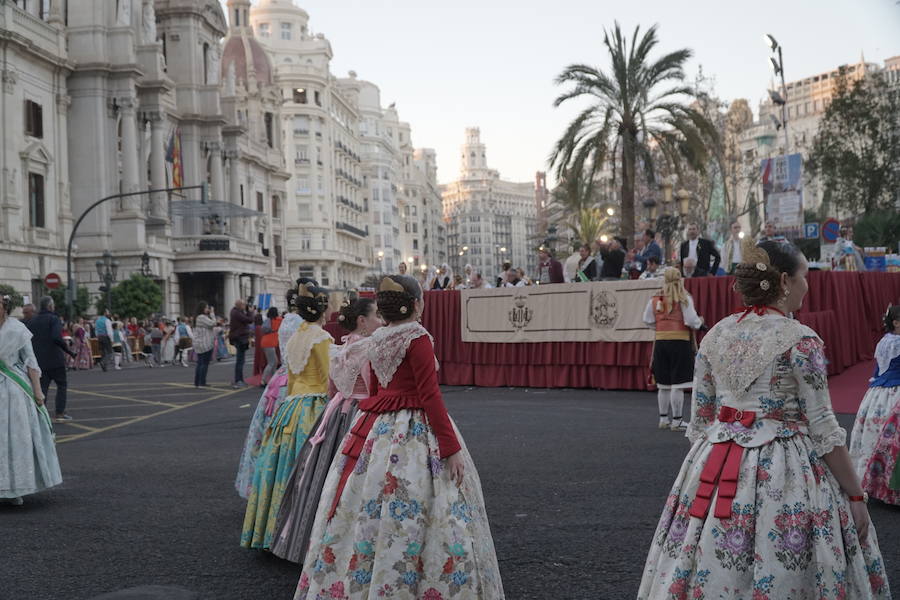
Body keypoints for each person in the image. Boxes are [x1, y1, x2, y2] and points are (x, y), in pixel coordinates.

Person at [638, 239, 890, 598]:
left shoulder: (716, 335)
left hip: (715, 463)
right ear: (785, 281)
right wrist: (855, 496)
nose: (808, 284)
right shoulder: (801, 340)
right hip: (787, 469)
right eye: (805, 275)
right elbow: (823, 430)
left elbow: (703, 419)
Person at [293, 275, 504, 599]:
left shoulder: (376, 339)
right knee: (431, 505)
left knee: (363, 501)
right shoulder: (417, 338)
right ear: (416, 304)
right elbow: (430, 396)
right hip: (415, 428)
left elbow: (375, 391)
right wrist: (449, 447)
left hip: (377, 427)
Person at [270, 295, 382, 563]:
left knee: (321, 478)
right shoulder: (367, 349)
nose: (381, 320)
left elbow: (332, 388)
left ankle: (308, 540)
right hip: (360, 416)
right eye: (376, 315)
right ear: (362, 321)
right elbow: (375, 391)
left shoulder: (339, 349)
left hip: (332, 416)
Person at [241, 282, 332, 550]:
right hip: (313, 408)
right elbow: (329, 381)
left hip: (290, 408)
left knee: (281, 471)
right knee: (309, 473)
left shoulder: (294, 338)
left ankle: (271, 530)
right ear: (322, 311)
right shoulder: (322, 338)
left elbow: (292, 381)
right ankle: (301, 537)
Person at [235, 288, 306, 499]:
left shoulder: (287, 319)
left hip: (281, 378)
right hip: (295, 381)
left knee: (268, 434)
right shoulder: (300, 323)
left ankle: (266, 485)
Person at [0, 294, 63, 506]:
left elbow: (30, 361)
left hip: (13, 389)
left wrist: (38, 392)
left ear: (5, 307)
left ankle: (13, 487)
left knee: (14, 440)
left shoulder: (17, 329)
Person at [849, 305, 900, 505]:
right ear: (896, 322)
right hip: (895, 392)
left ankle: (870, 480)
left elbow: (878, 370)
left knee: (872, 438)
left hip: (877, 394)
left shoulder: (883, 341)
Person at [642, 269, 704, 431]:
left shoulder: (655, 299)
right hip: (680, 343)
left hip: (661, 342)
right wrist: (699, 323)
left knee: (663, 384)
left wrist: (661, 327)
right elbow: (692, 321)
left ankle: (663, 418)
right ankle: (677, 420)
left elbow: (647, 320)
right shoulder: (684, 298)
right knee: (678, 383)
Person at [26, 296, 77, 422]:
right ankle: (60, 413)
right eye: (53, 305)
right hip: (55, 359)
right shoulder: (53, 319)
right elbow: (56, 337)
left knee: (43, 388)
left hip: (39, 361)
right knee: (61, 385)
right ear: (50, 306)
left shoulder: (33, 320)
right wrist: (68, 350)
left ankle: (40, 414)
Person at [229, 299, 256, 389]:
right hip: (239, 338)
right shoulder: (237, 313)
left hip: (240, 337)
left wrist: (248, 311)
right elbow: (250, 320)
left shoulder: (236, 312)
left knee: (241, 360)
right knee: (240, 361)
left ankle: (239, 379)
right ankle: (238, 380)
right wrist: (250, 312)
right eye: (244, 305)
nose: (245, 306)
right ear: (240, 305)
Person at [193, 302, 216, 388]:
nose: (208, 309)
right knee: (204, 363)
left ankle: (198, 382)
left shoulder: (199, 317)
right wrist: (212, 313)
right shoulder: (201, 317)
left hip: (200, 343)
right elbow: (213, 323)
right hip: (204, 343)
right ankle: (201, 382)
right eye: (206, 308)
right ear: (202, 308)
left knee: (200, 363)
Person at [260, 306, 282, 386]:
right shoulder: (277, 320)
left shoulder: (268, 320)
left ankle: (273, 379)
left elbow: (263, 329)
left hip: (266, 342)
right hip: (270, 343)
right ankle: (263, 380)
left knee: (274, 361)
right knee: (271, 362)